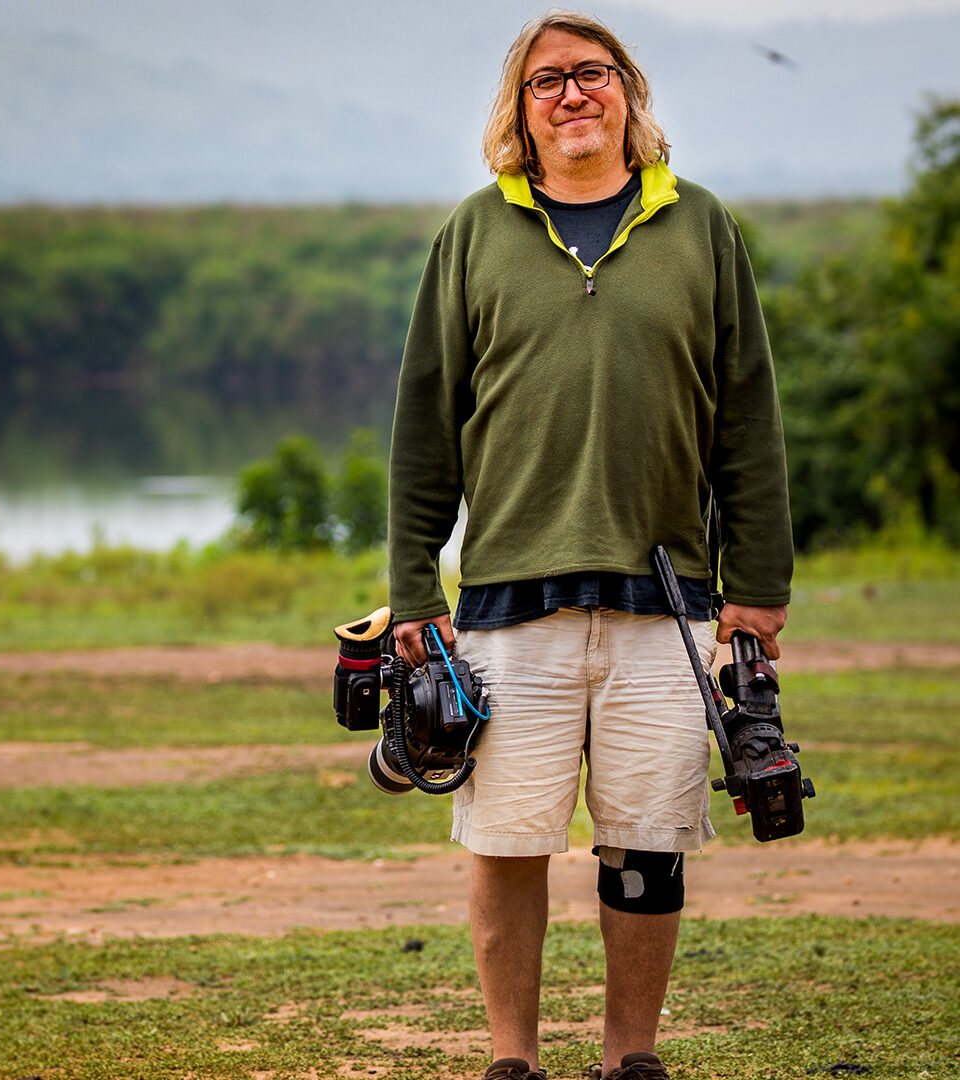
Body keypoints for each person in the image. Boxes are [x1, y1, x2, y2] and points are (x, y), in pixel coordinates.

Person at [386, 11, 793, 1080]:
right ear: (517, 114)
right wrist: (410, 589)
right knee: (505, 839)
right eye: (545, 82)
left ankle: (630, 1059)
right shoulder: (474, 232)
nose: (571, 96)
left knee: (646, 839)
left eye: (591, 75)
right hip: (505, 601)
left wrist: (755, 585)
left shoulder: (697, 226)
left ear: (628, 93)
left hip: (664, 599)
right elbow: (423, 424)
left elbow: (746, 417)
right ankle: (511, 1061)